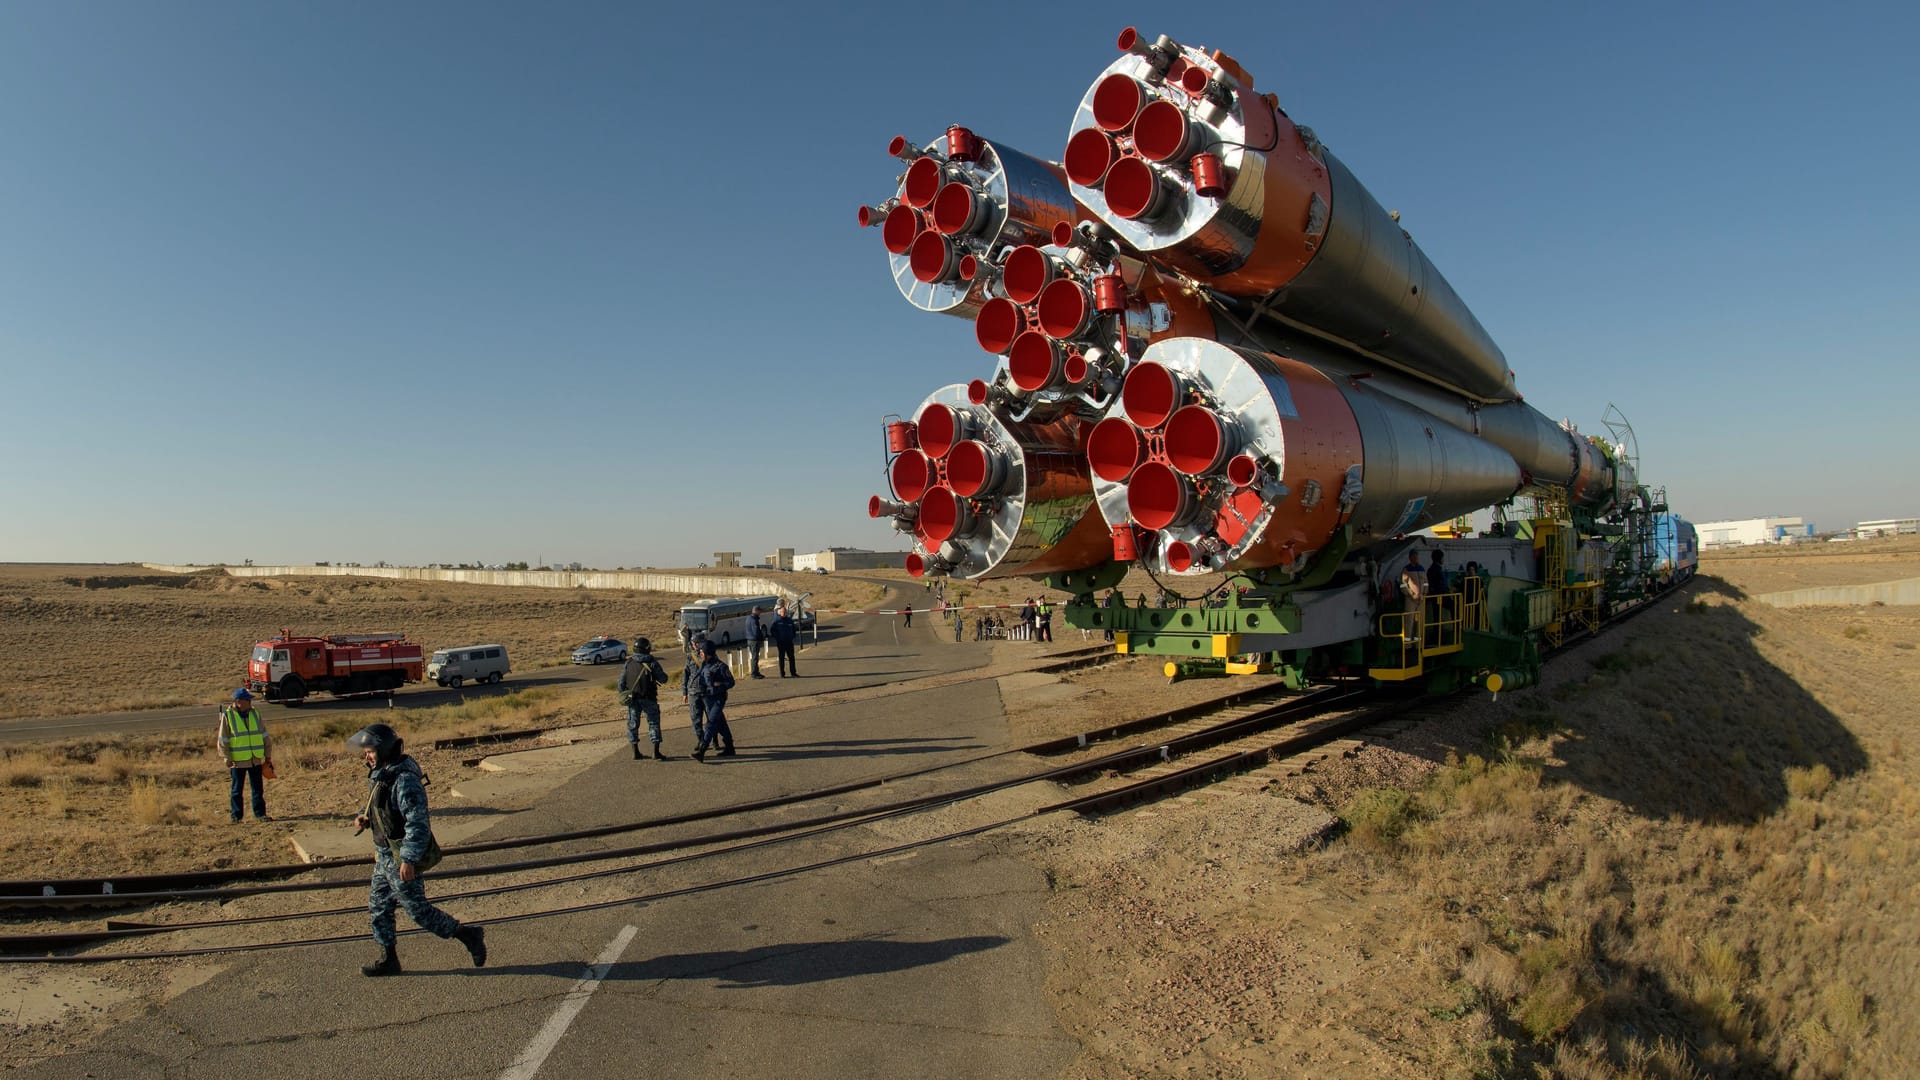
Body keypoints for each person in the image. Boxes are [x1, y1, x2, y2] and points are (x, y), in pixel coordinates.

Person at [346, 723, 486, 977]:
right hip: (384, 855)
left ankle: (468, 935)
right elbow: (376, 803)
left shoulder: (405, 780)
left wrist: (409, 859)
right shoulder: (382, 772)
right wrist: (363, 816)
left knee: (418, 911)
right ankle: (389, 960)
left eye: (370, 751)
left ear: (385, 750)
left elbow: (417, 823)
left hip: (400, 856)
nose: (366, 756)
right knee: (379, 907)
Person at [218, 688, 272, 822]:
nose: (250, 702)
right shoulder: (228, 716)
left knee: (257, 789)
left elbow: (264, 735)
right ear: (238, 702)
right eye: (247, 700)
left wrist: (268, 755)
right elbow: (223, 738)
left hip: (255, 759)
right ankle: (236, 817)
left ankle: (260, 814)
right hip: (238, 761)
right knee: (237, 791)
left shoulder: (255, 714)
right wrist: (226, 757)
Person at [619, 637, 671, 760]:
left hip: (633, 699)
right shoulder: (652, 662)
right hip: (649, 698)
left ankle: (635, 752)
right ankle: (655, 752)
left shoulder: (629, 662)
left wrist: (626, 694)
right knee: (653, 723)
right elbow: (663, 679)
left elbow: (621, 683)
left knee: (632, 724)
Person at [691, 640, 737, 762]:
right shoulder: (704, 665)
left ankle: (702, 750)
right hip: (706, 699)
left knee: (711, 723)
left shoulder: (720, 666)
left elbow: (731, 682)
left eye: (701, 651)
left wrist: (718, 685)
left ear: (707, 652)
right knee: (721, 724)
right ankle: (730, 747)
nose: (700, 654)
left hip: (718, 699)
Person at [682, 636, 710, 748]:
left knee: (711, 718)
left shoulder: (709, 654)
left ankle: (713, 740)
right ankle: (700, 740)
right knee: (695, 718)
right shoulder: (690, 656)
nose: (693, 645)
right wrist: (684, 692)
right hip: (693, 691)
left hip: (707, 692)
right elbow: (685, 674)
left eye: (695, 643)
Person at [1398, 553, 1425, 646]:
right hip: (1410, 600)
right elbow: (1403, 585)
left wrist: (1425, 593)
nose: (1416, 558)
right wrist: (1410, 595)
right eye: (1414, 557)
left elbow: (1425, 583)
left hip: (1421, 599)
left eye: (1417, 556)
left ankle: (1419, 644)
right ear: (1410, 558)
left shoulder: (1422, 569)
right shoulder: (1406, 570)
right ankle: (1407, 645)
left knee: (1420, 622)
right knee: (1409, 621)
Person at [770, 603, 799, 677]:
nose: (784, 613)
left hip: (789, 642)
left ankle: (793, 672)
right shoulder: (776, 621)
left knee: (791, 657)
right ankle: (782, 673)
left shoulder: (789, 620)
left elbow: (793, 630)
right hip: (781, 643)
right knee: (781, 658)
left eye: (785, 612)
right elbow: (772, 631)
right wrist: (778, 638)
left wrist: (792, 637)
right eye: (783, 612)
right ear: (780, 613)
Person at [744, 606, 767, 678]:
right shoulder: (754, 620)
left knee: (754, 657)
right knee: (755, 657)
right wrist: (761, 638)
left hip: (750, 640)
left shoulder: (748, 618)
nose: (760, 613)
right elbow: (756, 631)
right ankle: (754, 673)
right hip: (754, 640)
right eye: (759, 611)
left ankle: (756, 672)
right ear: (756, 611)